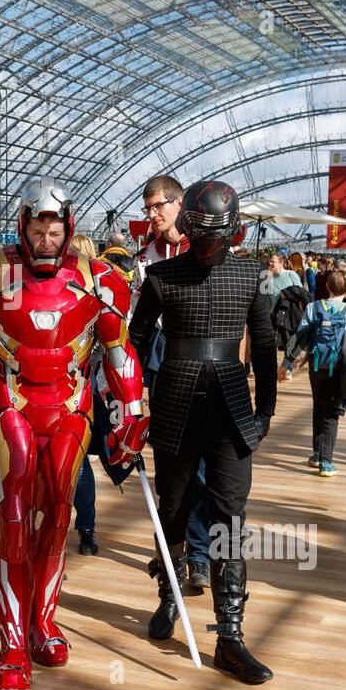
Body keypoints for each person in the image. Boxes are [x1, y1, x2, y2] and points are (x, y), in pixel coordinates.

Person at [0, 179, 147, 690]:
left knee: (57, 519)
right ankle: (12, 644)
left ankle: (42, 621)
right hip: (9, 404)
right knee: (15, 522)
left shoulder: (102, 281)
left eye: (55, 227)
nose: (46, 236)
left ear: (68, 229)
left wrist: (132, 412)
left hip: (69, 407)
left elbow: (119, 353)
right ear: (22, 224)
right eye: (37, 225)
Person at [129, 178, 277, 685]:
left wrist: (265, 413)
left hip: (231, 408)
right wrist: (129, 403)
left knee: (230, 519)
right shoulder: (160, 276)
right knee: (171, 508)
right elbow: (134, 340)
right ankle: (168, 597)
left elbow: (264, 344)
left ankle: (230, 636)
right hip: (175, 403)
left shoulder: (252, 276)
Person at [134, 174, 211, 595]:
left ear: (179, 203)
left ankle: (199, 554)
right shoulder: (145, 258)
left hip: (200, 360)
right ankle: (172, 553)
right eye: (147, 208)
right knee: (169, 468)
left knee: (199, 467)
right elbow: (138, 322)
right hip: (163, 365)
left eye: (158, 205)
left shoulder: (207, 249)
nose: (153, 214)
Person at [281, 270, 346, 476]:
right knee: (332, 414)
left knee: (318, 407)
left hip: (316, 366)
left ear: (327, 287)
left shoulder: (313, 308)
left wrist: (287, 363)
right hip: (340, 369)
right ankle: (327, 462)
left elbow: (300, 337)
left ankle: (316, 453)